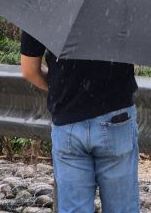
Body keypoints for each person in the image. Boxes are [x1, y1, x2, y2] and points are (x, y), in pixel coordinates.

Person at [20, 32, 139, 213]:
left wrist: (58, 89)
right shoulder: (128, 5)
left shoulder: (42, 5)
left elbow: (29, 70)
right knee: (122, 208)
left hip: (67, 120)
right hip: (116, 116)